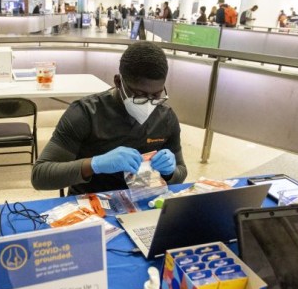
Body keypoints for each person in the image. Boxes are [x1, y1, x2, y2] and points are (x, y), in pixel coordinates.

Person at [32, 41, 187, 195]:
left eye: (156, 95)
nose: (148, 103)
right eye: (139, 95)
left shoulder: (165, 118)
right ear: (118, 82)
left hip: (143, 201)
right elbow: (40, 176)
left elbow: (181, 173)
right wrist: (94, 164)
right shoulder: (86, 113)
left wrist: (170, 172)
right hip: (90, 207)